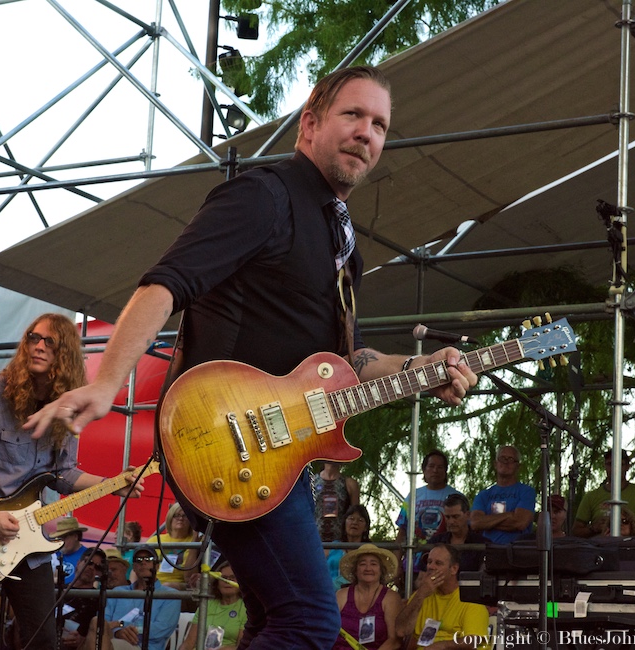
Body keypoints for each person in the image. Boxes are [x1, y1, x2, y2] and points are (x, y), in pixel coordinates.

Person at [25, 65, 477, 650]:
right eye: (353, 115)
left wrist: (423, 369)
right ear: (309, 124)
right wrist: (108, 380)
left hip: (281, 455)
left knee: (271, 622)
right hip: (225, 438)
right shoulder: (264, 195)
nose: (368, 132)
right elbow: (166, 283)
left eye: (380, 125)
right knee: (311, 623)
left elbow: (346, 363)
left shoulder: (342, 246)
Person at [0, 313, 144, 650]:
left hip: (29, 538)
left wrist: (112, 483)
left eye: (50, 341)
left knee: (43, 638)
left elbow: (63, 474)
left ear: (66, 354)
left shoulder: (68, 407)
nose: (39, 346)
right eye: (34, 337)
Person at [393, 544, 489, 650]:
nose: (431, 567)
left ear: (454, 569)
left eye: (438, 563)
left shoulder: (470, 599)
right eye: (429, 562)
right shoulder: (421, 594)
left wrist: (443, 645)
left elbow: (473, 641)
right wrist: (420, 595)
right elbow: (400, 631)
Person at [93, 545, 181, 650]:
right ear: (134, 567)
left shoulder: (170, 595)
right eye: (138, 560)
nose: (143, 562)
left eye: (148, 559)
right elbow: (102, 623)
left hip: (143, 646)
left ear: (157, 566)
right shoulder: (117, 592)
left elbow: (160, 630)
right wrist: (117, 633)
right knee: (94, 624)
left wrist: (120, 625)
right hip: (111, 641)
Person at [395, 450, 463, 578]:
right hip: (412, 565)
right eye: (431, 466)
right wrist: (396, 563)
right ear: (424, 469)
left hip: (443, 567)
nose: (435, 470)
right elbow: (402, 531)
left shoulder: (456, 497)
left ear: (445, 471)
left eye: (440, 467)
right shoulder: (413, 496)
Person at [331, 543, 403, 650]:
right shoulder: (341, 595)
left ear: (381, 570)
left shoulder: (391, 598)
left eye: (373, 564)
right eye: (362, 564)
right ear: (355, 570)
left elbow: (394, 640)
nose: (368, 568)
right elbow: (328, 630)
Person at [572, 450, 635, 537]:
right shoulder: (591, 496)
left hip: (630, 547)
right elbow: (576, 531)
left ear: (628, 466)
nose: (614, 468)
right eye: (610, 464)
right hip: (600, 548)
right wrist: (593, 528)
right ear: (605, 466)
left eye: (620, 464)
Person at [470, 446, 535, 544]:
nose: (506, 462)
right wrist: (509, 515)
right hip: (489, 551)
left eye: (511, 459)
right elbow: (475, 523)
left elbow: (520, 523)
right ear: (495, 464)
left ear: (518, 466)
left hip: (517, 551)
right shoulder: (483, 495)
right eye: (502, 458)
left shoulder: (526, 492)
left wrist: (487, 522)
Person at [178, 561, 246, 650]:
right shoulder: (206, 605)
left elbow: (243, 646)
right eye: (224, 578)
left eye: (233, 578)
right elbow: (189, 642)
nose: (228, 581)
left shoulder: (246, 608)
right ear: (217, 583)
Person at [426, 494, 490, 572]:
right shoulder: (435, 541)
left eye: (455, 517)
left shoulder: (482, 543)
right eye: (447, 517)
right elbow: (422, 575)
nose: (451, 521)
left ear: (468, 515)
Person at [61, 548, 106, 649]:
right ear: (78, 563)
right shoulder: (57, 590)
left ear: (99, 573)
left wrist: (83, 640)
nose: (91, 568)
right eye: (89, 562)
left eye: (97, 567)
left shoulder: (98, 598)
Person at [148, 502, 200, 590]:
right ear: (170, 518)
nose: (180, 518)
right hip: (154, 582)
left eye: (185, 516)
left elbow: (190, 577)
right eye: (177, 515)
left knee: (167, 587)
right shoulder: (155, 540)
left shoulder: (195, 540)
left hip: (181, 585)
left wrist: (194, 540)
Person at [326, 504, 372, 591]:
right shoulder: (332, 547)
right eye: (351, 518)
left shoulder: (369, 550)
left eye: (360, 520)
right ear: (345, 523)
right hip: (328, 596)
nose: (355, 522)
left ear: (365, 527)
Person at [315, 462, 360, 543]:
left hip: (340, 544)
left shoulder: (350, 484)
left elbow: (355, 516)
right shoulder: (312, 482)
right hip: (315, 541)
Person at [55, 516, 90, 585]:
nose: (61, 542)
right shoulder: (54, 554)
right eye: (59, 538)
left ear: (75, 536)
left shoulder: (88, 555)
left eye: (64, 537)